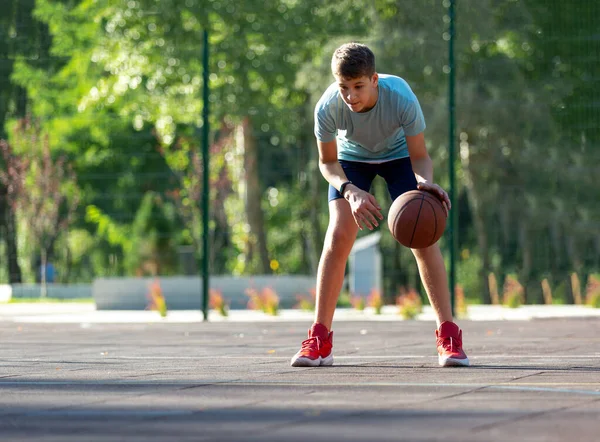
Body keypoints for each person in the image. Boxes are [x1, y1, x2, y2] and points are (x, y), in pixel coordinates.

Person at [290, 42, 469, 368]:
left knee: (424, 236)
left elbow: (420, 156)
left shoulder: (400, 96)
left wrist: (424, 184)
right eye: (343, 87)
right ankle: (319, 340)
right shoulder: (327, 107)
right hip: (351, 161)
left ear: (374, 79)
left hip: (400, 157)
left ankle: (449, 336)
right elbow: (327, 163)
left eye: (358, 86)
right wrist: (349, 191)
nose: (350, 96)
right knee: (339, 234)